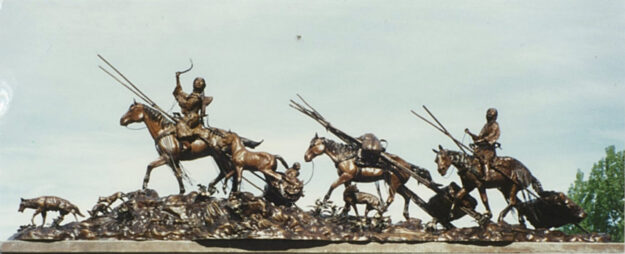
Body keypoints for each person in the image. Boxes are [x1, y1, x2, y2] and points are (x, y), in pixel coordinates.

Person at [173, 72, 213, 149]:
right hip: (188, 116)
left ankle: (186, 143)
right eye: (196, 81)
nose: (198, 83)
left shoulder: (197, 97)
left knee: (180, 124)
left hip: (193, 117)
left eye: (201, 82)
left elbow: (187, 105)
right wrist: (177, 78)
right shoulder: (190, 95)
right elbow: (179, 91)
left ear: (203, 86)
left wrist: (179, 99)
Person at [465, 108, 500, 181]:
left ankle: (487, 176)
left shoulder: (495, 125)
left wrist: (481, 140)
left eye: (490, 115)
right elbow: (479, 137)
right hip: (481, 149)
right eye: (488, 115)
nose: (488, 116)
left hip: (489, 149)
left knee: (485, 160)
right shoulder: (486, 126)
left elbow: (491, 136)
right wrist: (470, 133)